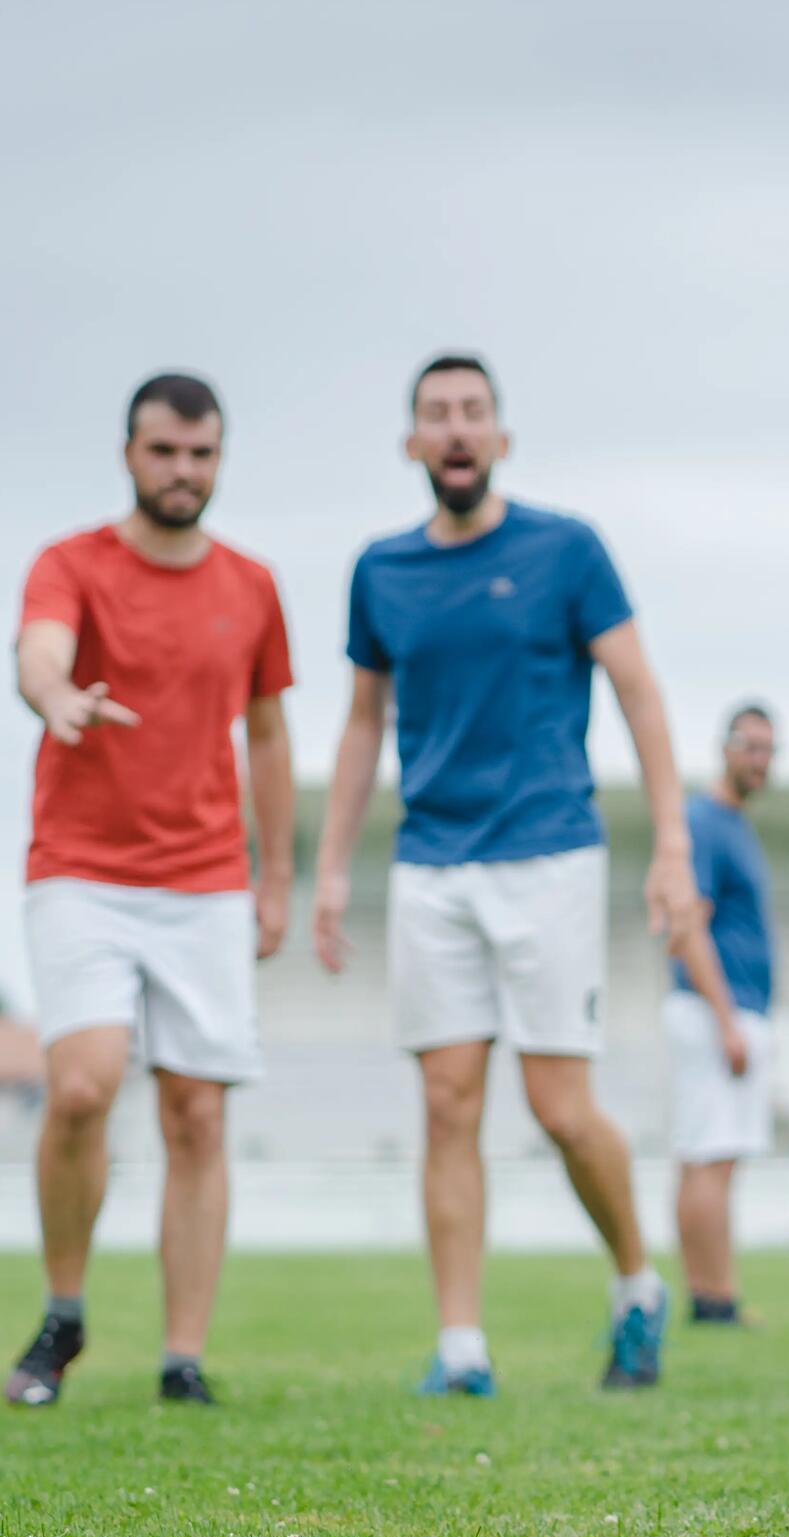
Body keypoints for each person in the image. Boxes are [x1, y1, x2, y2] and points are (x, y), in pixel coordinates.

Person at [311, 354, 698, 1395]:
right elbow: (360, 726)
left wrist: (670, 845)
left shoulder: (566, 551)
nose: (456, 430)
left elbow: (641, 697)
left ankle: (635, 1284)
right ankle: (461, 1348)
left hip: (548, 854)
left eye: (473, 412)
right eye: (436, 415)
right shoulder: (379, 571)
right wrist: (333, 871)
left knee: (560, 1109)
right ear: (411, 443)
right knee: (446, 1103)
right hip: (433, 864)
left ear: (500, 437)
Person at [7, 374, 295, 1409]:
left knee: (196, 1117)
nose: (184, 471)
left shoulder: (252, 585)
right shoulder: (71, 563)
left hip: (208, 878)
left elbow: (266, 733)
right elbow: (33, 653)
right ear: (130, 454)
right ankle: (64, 1315)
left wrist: (278, 880)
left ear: (219, 459)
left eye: (202, 453)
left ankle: (182, 1357)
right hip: (81, 868)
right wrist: (57, 697)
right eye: (165, 452)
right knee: (82, 1084)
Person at [665, 704, 779, 1328]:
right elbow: (689, 927)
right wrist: (726, 1020)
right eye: (751, 747)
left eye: (769, 750)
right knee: (709, 1158)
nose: (760, 761)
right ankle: (713, 1299)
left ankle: (714, 1292)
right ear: (725, 748)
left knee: (711, 1158)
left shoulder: (735, 824)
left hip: (728, 1012)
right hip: (716, 1013)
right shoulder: (704, 821)